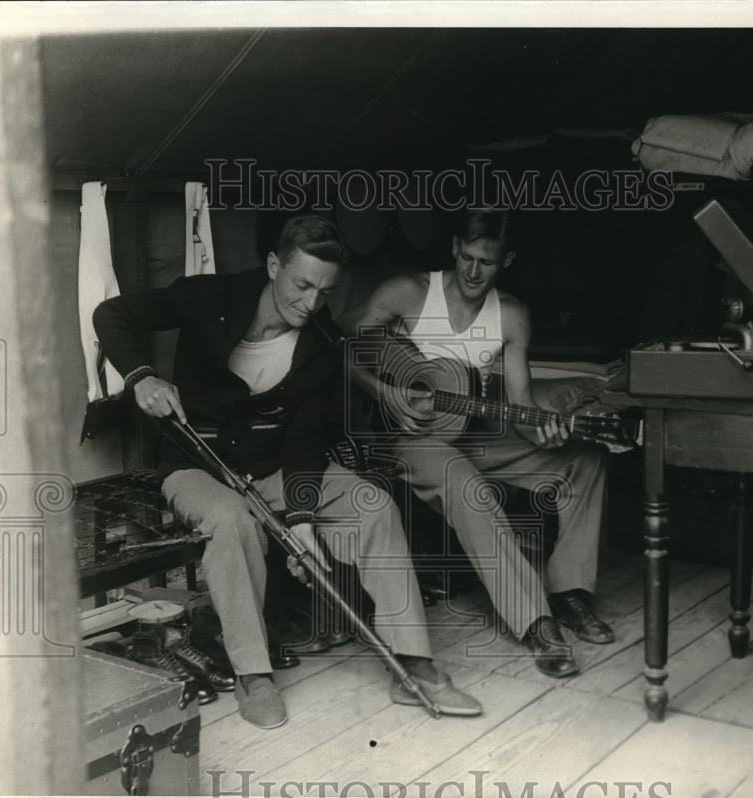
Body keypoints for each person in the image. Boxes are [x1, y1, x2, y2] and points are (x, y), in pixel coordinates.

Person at [93, 214, 481, 728]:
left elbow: (305, 438)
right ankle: (253, 674)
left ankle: (415, 662)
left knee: (374, 505)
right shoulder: (208, 297)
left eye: (325, 291)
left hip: (276, 466)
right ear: (275, 265)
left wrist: (300, 516)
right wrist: (141, 375)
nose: (310, 302)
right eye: (301, 284)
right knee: (232, 520)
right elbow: (110, 313)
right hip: (195, 466)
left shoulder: (322, 341)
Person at [339, 209, 614, 678]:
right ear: (452, 248)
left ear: (506, 259)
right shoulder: (407, 293)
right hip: (408, 435)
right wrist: (383, 390)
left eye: (485, 262)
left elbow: (521, 402)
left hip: (474, 430)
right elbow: (343, 349)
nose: (472, 271)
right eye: (465, 257)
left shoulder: (511, 316)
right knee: (467, 484)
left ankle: (569, 592)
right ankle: (537, 623)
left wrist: (545, 427)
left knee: (587, 459)